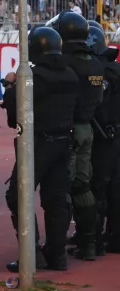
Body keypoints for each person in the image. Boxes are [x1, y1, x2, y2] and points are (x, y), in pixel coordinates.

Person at [2, 27, 77, 272]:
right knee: (56, 200)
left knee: (18, 195)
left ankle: (31, 254)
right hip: (63, 142)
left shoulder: (32, 76)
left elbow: (16, 118)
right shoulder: (70, 74)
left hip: (37, 144)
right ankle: (56, 255)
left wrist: (11, 87)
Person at [48, 11, 104, 260]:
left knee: (62, 188)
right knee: (84, 185)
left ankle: (57, 246)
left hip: (66, 130)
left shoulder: (64, 62)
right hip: (88, 128)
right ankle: (89, 242)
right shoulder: (95, 63)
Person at [86, 25, 120, 254]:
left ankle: (93, 239)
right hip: (115, 133)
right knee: (115, 188)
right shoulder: (115, 68)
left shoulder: (97, 71)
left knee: (98, 186)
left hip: (104, 136)